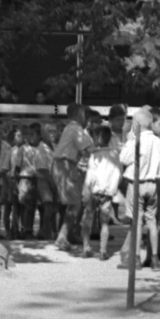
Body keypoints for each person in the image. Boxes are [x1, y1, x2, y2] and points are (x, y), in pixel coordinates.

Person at [119, 108, 160, 268]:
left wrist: (129, 140)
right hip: (153, 184)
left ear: (136, 124)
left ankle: (137, 257)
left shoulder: (136, 140)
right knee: (152, 221)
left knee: (137, 222)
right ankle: (154, 257)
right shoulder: (157, 141)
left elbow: (123, 159)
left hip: (137, 183)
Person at [52, 104, 95, 250]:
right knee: (75, 203)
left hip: (64, 164)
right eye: (85, 115)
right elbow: (89, 149)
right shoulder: (76, 129)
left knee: (73, 201)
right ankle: (62, 236)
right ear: (80, 114)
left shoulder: (69, 128)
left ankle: (68, 234)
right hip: (65, 165)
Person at [80, 126, 123, 261]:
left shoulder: (94, 155)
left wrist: (85, 191)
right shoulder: (115, 155)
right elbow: (118, 174)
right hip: (107, 194)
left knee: (87, 220)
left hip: (94, 192)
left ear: (98, 138)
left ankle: (86, 247)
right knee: (104, 223)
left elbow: (90, 176)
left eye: (94, 137)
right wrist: (111, 191)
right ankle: (103, 250)